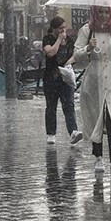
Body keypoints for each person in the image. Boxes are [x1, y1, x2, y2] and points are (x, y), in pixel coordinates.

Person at [73, 4, 111, 177]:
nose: (103, 14)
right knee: (96, 117)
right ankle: (98, 156)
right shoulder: (87, 29)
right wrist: (88, 48)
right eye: (99, 11)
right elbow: (76, 53)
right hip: (95, 77)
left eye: (106, 11)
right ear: (94, 12)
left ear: (110, 12)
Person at [42, 16, 82, 146]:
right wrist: (59, 40)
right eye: (60, 28)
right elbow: (50, 53)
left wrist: (68, 64)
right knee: (51, 106)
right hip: (51, 78)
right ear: (54, 29)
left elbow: (74, 56)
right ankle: (51, 134)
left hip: (65, 78)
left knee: (69, 105)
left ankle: (73, 132)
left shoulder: (69, 40)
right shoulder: (48, 39)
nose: (63, 31)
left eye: (64, 28)